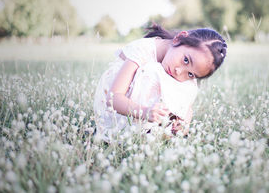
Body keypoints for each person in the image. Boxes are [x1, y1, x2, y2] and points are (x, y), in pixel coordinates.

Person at [93, 24, 227, 142]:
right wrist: (145, 112)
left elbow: (188, 106)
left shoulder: (175, 67)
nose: (179, 71)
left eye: (191, 73)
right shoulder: (143, 50)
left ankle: (157, 128)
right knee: (153, 71)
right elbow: (113, 99)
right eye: (186, 60)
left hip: (144, 112)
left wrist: (185, 122)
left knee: (189, 85)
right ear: (179, 38)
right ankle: (145, 129)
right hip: (115, 113)